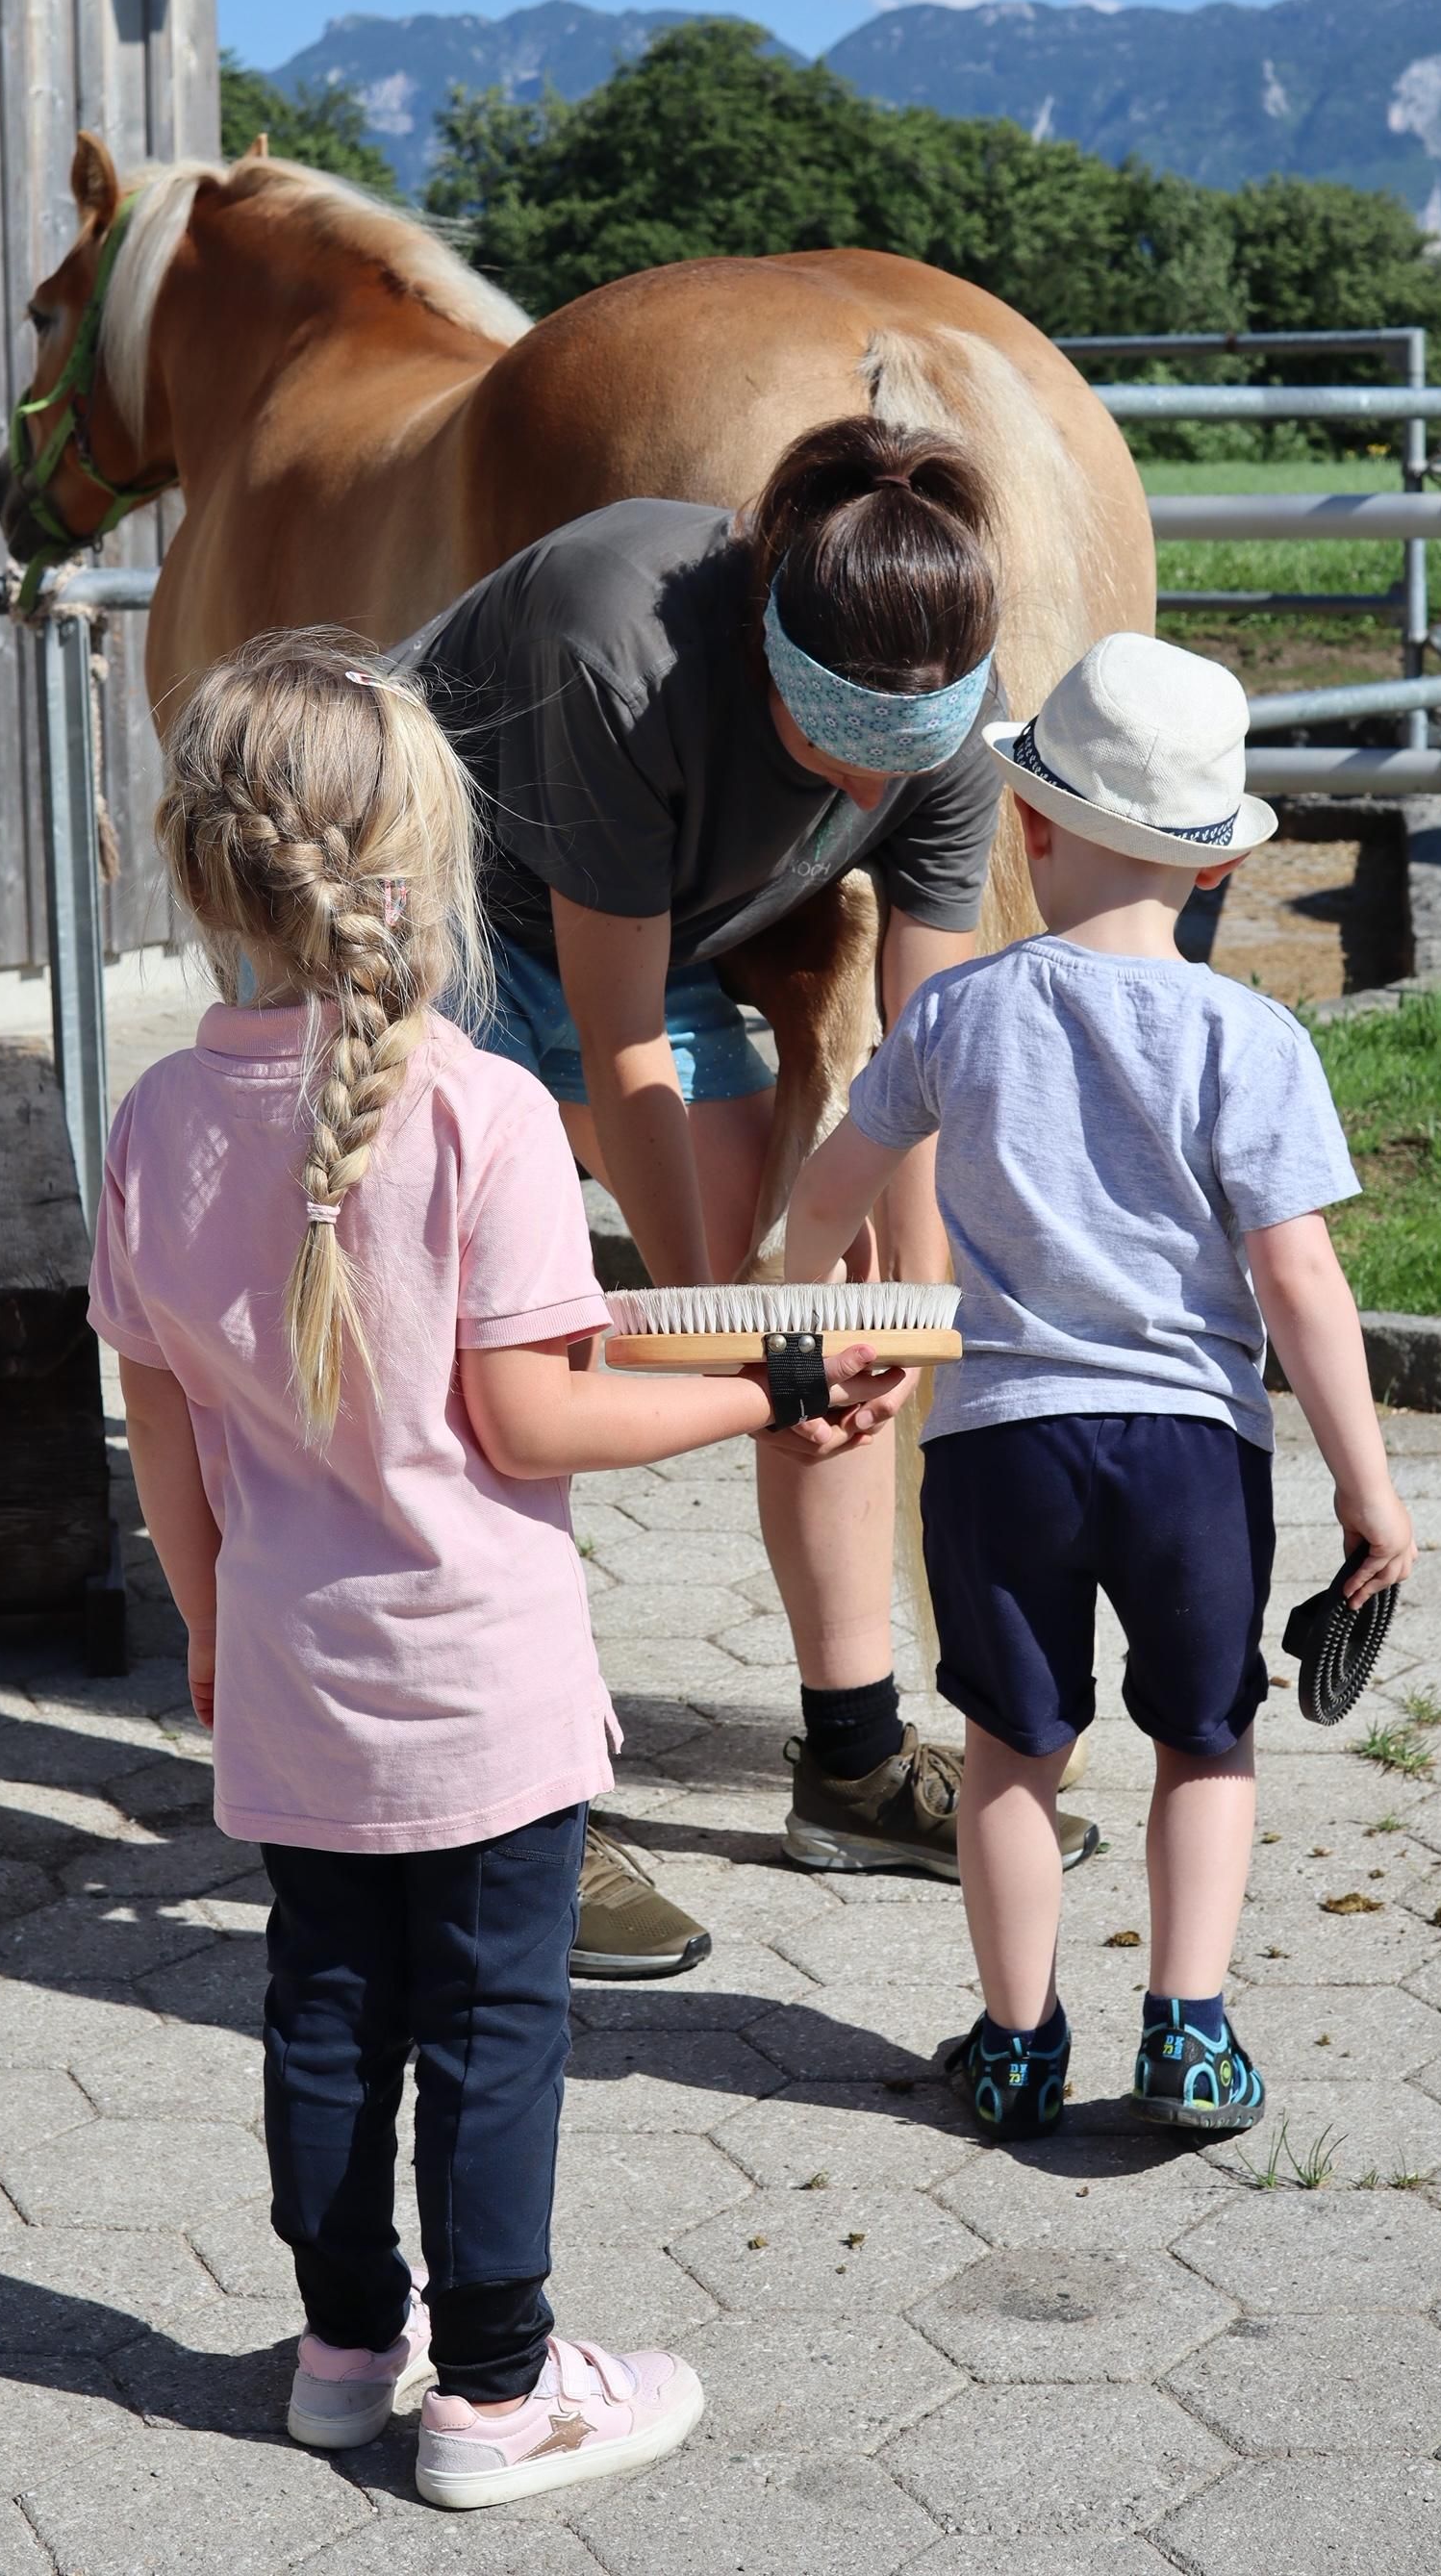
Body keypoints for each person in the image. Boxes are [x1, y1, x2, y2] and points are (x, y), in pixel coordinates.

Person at [89, 633, 909, 2502]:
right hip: (481, 1695)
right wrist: (769, 1391)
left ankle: (341, 2350)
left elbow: (161, 1424)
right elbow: (531, 1422)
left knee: (324, 2011)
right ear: (425, 857)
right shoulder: (479, 1109)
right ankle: (492, 2390)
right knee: (489, 2031)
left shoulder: (151, 1125)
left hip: (287, 1674)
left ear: (206, 866)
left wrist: (209, 1627)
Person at [405, 414, 1100, 1981]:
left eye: (900, 761)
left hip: (641, 934)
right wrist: (730, 1341)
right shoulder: (616, 644)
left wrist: (898, 1326)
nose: (864, 786)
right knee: (483, 1350)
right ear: (771, 644)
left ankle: (852, 1766)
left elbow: (924, 1052)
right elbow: (616, 1041)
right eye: (832, 746)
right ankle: (507, 1813)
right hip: (422, 912)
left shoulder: (943, 699)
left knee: (828, 1317)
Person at [782, 633, 1417, 2137]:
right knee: (1206, 1736)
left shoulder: (957, 1012)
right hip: (1191, 1450)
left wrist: (813, 1316)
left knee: (1014, 1751)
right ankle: (1189, 2032)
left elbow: (831, 1188)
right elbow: (1300, 1282)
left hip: (998, 1447)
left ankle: (1017, 2047)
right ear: (1218, 867)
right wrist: (1370, 1489)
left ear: (1031, 824)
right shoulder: (1253, 1038)